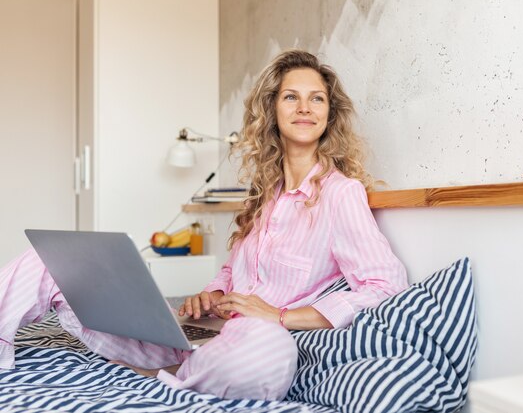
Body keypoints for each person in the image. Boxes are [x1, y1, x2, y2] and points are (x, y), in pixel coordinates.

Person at [0, 49, 408, 401]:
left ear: (328, 115)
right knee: (53, 263)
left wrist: (282, 316)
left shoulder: (341, 194)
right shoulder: (265, 195)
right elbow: (233, 272)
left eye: (316, 99)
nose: (305, 108)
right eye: (291, 97)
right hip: (195, 335)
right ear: (272, 110)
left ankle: (172, 381)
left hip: (248, 343)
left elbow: (386, 284)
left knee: (268, 351)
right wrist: (211, 293)